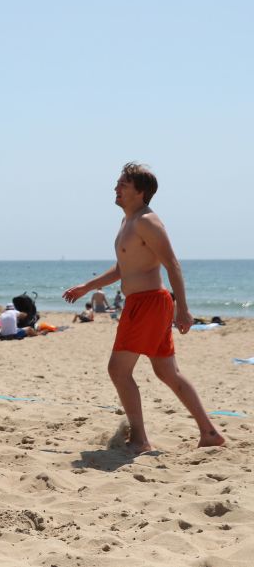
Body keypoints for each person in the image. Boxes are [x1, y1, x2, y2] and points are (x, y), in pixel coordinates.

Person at [63, 162, 224, 453]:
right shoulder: (128, 221)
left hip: (150, 303)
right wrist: (87, 287)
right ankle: (209, 432)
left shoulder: (147, 222)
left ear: (140, 191)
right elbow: (123, 267)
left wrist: (183, 310)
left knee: (118, 370)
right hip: (141, 303)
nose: (116, 188)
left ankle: (140, 439)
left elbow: (172, 264)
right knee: (166, 372)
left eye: (122, 184)